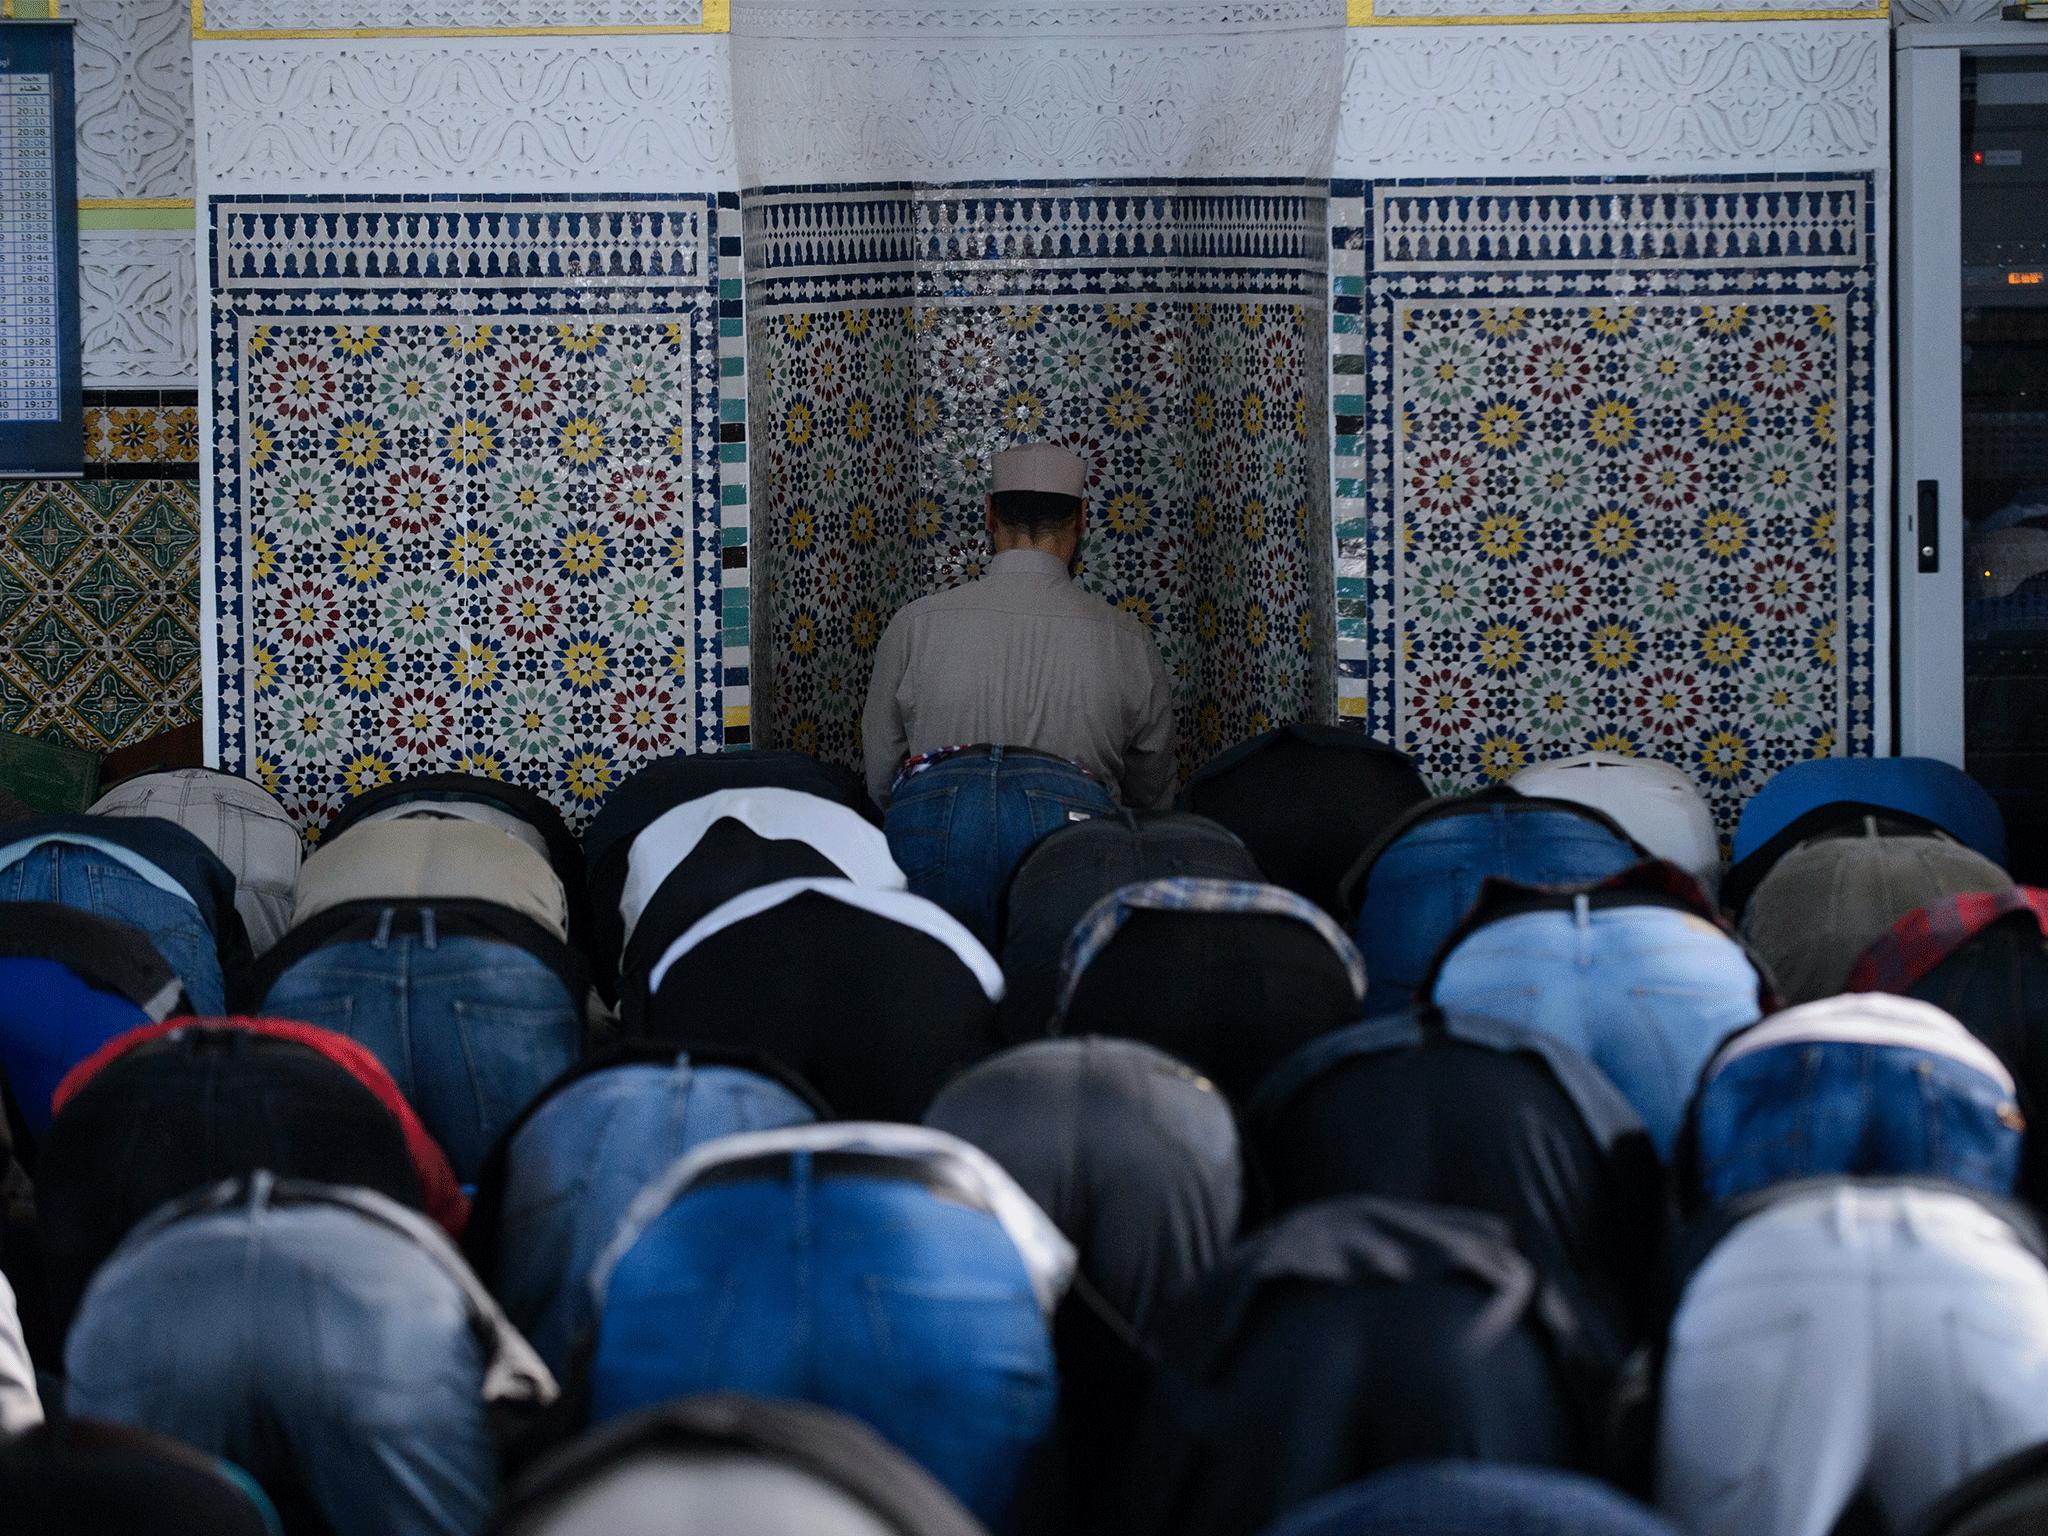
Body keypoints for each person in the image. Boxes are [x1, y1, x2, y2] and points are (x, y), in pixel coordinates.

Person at [861, 443, 1176, 944]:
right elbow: (1153, 796)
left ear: (989, 515)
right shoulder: (1128, 637)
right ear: (1081, 521)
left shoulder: (914, 625)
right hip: (1074, 842)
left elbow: (883, 778)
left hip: (935, 825)